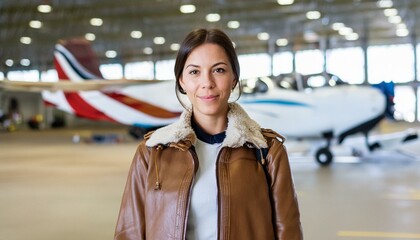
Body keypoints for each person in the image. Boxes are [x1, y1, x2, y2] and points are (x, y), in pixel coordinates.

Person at [114, 28, 303, 240]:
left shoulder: (267, 152)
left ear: (234, 79)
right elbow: (129, 233)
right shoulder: (152, 153)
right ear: (181, 81)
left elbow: (289, 232)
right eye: (194, 72)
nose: (207, 83)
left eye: (219, 70)